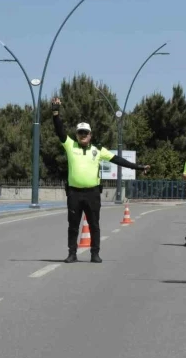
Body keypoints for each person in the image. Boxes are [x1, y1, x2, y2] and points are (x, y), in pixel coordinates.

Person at [51, 97, 150, 263]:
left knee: (94, 224)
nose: (83, 135)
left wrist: (138, 167)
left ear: (90, 135)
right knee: (73, 225)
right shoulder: (70, 145)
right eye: (80, 133)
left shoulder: (98, 150)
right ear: (76, 135)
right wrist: (55, 113)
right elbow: (59, 130)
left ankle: (95, 253)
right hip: (74, 193)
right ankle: (72, 253)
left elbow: (118, 160)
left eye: (85, 133)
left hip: (92, 193)